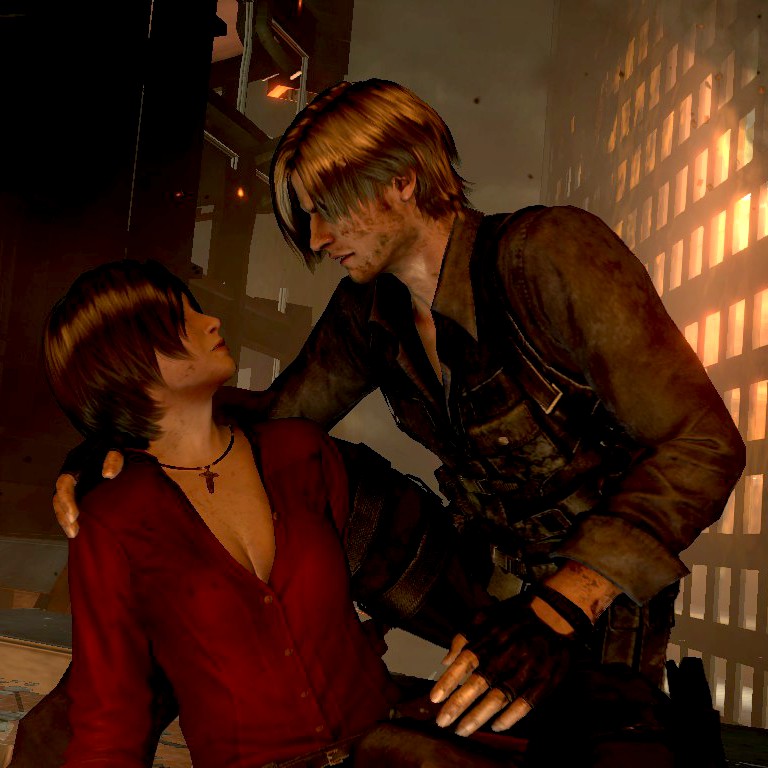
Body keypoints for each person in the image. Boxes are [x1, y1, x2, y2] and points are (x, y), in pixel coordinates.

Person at [52, 79, 744, 764]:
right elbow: (266, 424)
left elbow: (703, 443)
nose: (318, 238)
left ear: (402, 181)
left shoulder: (549, 253)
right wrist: (112, 446)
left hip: (594, 589)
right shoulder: (369, 313)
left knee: (610, 739)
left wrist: (562, 605)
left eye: (327, 210)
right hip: (477, 573)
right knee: (301, 465)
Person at [37, 260, 405, 768]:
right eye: (179, 321)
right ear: (124, 362)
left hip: (386, 751)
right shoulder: (111, 519)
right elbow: (110, 717)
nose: (211, 322)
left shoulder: (300, 452)